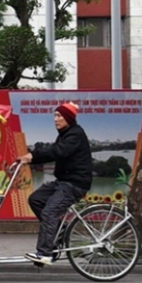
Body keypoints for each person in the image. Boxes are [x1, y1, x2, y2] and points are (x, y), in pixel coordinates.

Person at [18, 101, 94, 265]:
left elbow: (58, 152)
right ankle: (59, 233)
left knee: (49, 212)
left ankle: (45, 253)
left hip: (74, 183)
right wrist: (27, 160)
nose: (55, 119)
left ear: (67, 118)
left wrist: (33, 155)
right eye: (55, 115)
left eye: (59, 116)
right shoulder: (65, 134)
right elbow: (53, 151)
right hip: (64, 181)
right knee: (36, 199)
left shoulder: (75, 134)